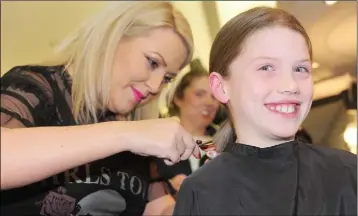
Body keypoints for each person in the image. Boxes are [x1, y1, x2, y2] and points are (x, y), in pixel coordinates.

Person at [1, 2, 200, 216]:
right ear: (114, 37)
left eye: (167, 78)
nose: (155, 85)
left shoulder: (134, 131)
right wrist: (128, 134)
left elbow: (158, 209)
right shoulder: (36, 89)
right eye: (152, 62)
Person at [173, 6, 357, 216]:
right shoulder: (199, 191)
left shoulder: (348, 173)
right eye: (266, 67)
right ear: (221, 87)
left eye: (300, 69)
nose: (291, 85)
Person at [153, 59, 219, 200]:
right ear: (178, 97)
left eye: (214, 96)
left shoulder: (227, 146)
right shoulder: (157, 141)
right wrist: (166, 187)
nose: (209, 103)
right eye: (199, 94)